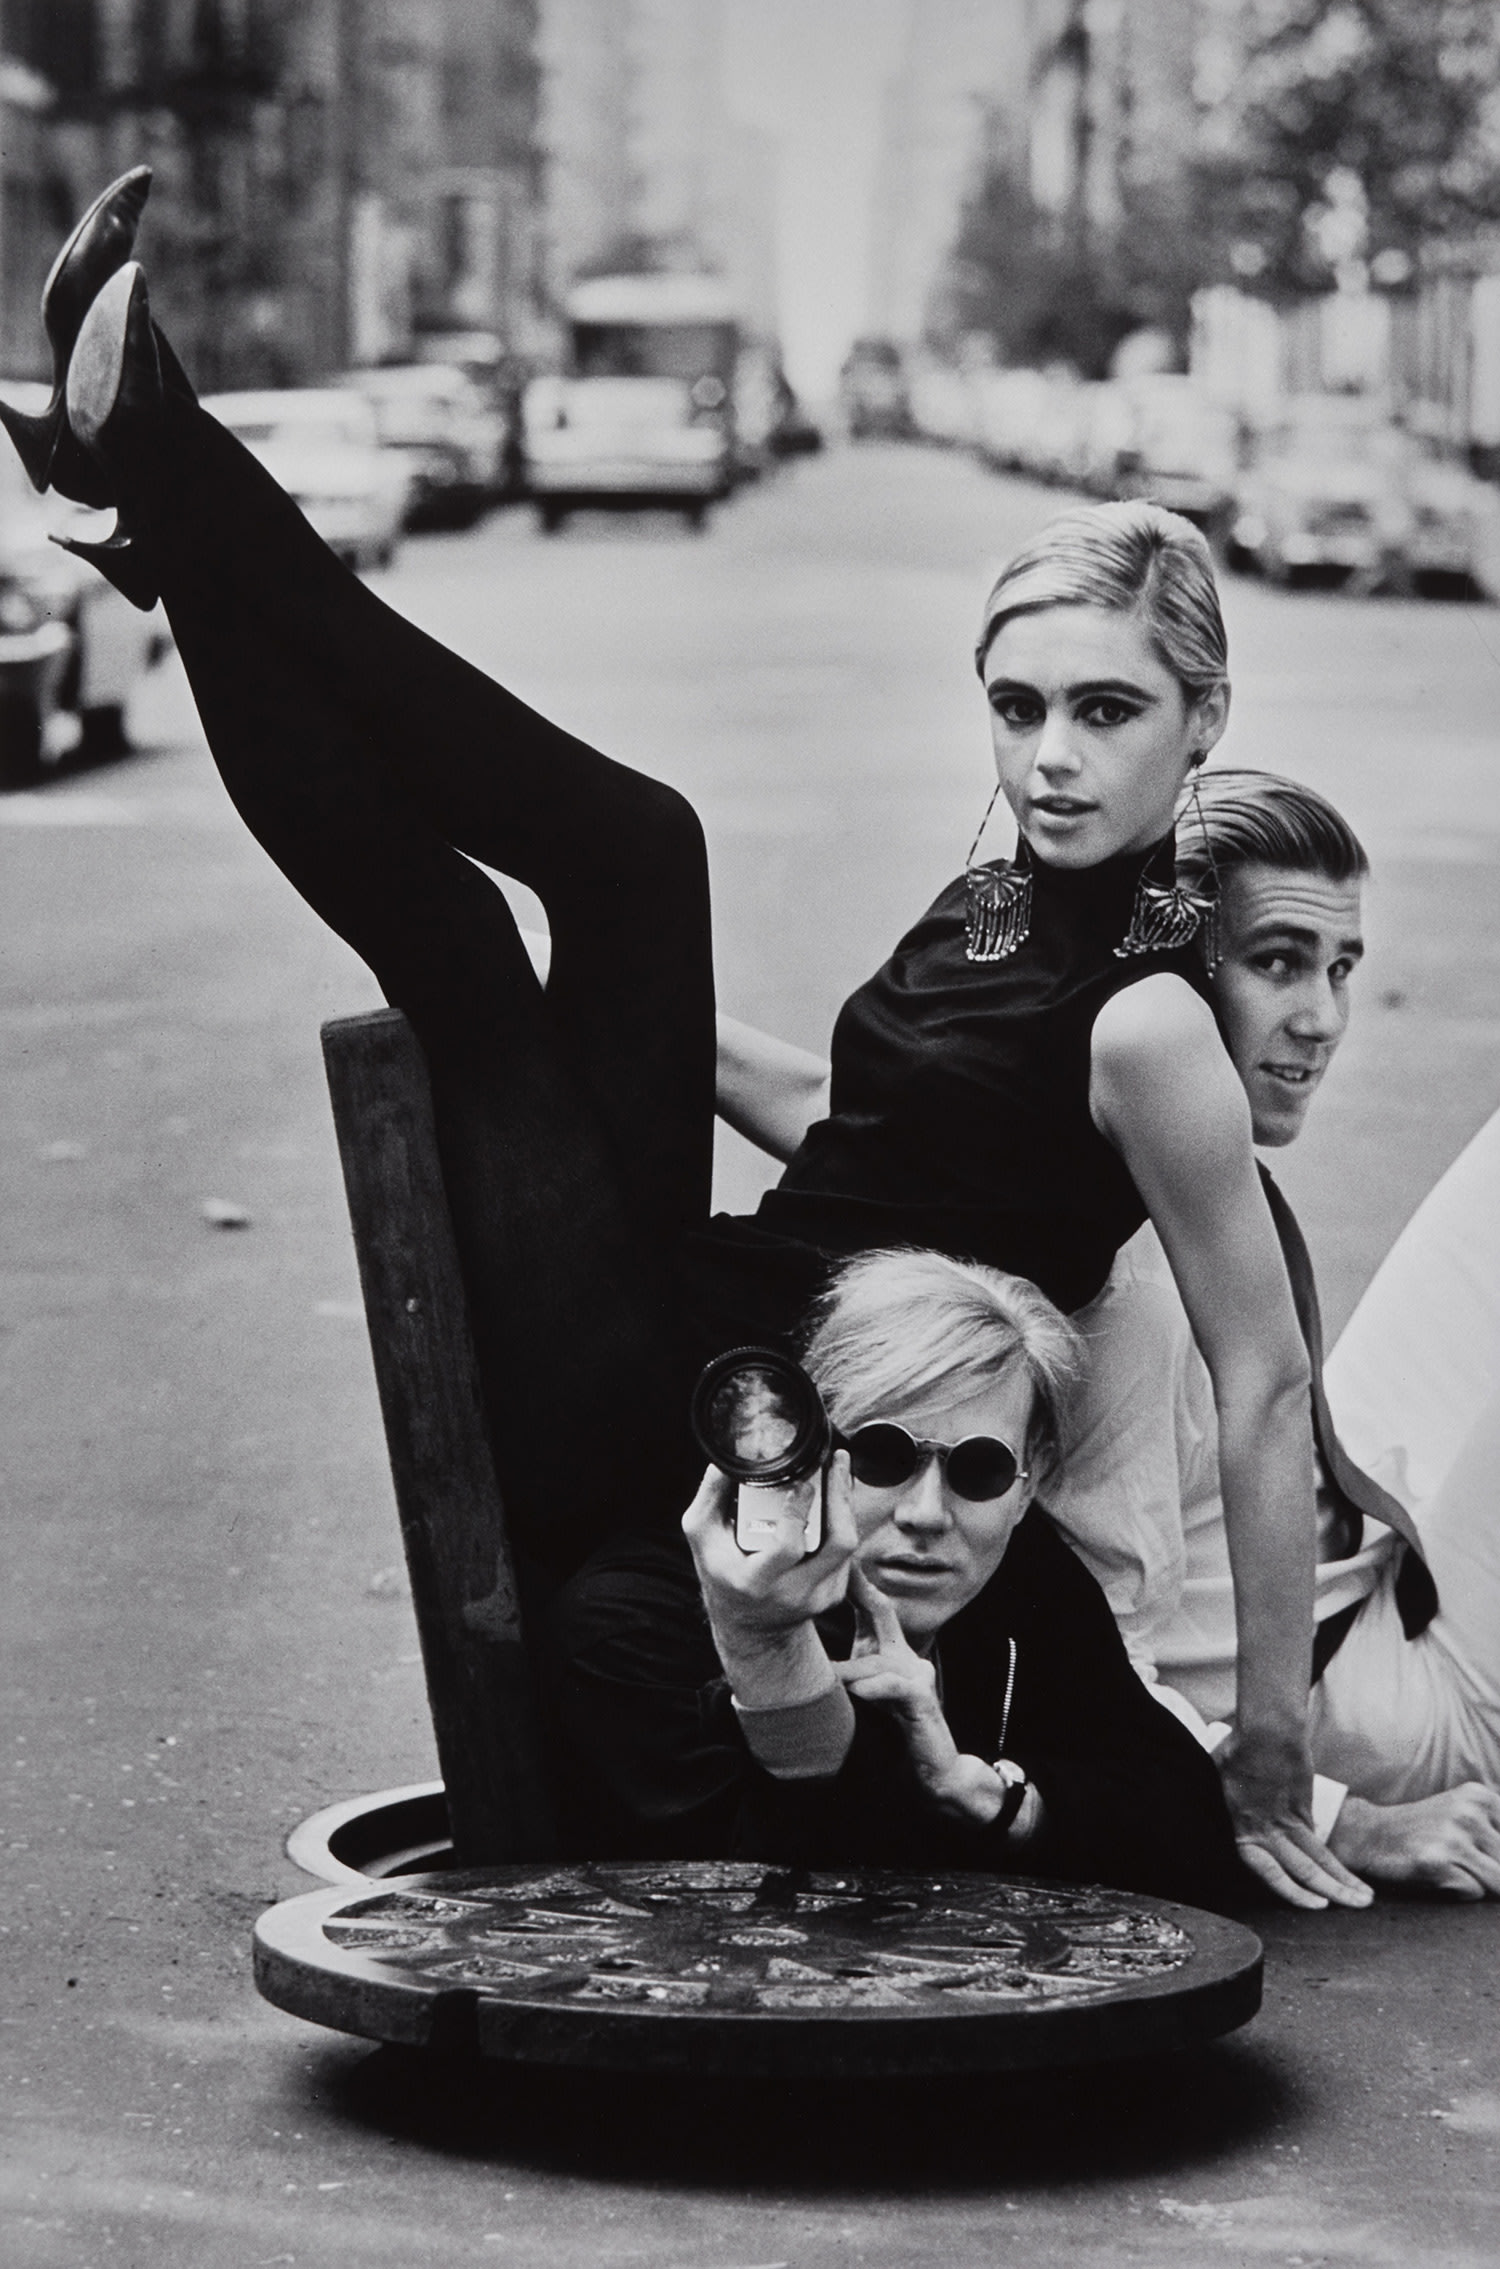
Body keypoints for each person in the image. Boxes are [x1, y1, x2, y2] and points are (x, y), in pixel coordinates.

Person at [7, 170, 1363, 1907]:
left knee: (592, 875)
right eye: (1019, 707)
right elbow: (843, 1118)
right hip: (694, 1295)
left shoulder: (1153, 1018)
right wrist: (611, 1020)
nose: (1051, 758)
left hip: (741, 1408)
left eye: (1108, 712)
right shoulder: (999, 904)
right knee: (590, 889)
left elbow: (1265, 1382)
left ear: (1202, 718)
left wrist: (1270, 1730)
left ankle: (166, 485)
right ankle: (167, 514)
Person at [1044, 770, 1500, 1899]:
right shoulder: (1130, 1298)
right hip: (1383, 1698)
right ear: (1176, 983)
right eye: (1279, 962)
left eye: (1340, 968)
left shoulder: (1152, 1149)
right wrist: (1343, 1818)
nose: (1324, 1020)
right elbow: (1096, 1675)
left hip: (1366, 1544)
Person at [553, 1248, 1244, 1909]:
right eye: (883, 1455)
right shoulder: (635, 1621)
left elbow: (1191, 1825)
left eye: (980, 1469)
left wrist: (984, 1794)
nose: (927, 1513)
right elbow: (759, 1925)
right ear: (806, 1447)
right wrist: (773, 1662)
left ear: (1028, 1481)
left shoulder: (1025, 1579)